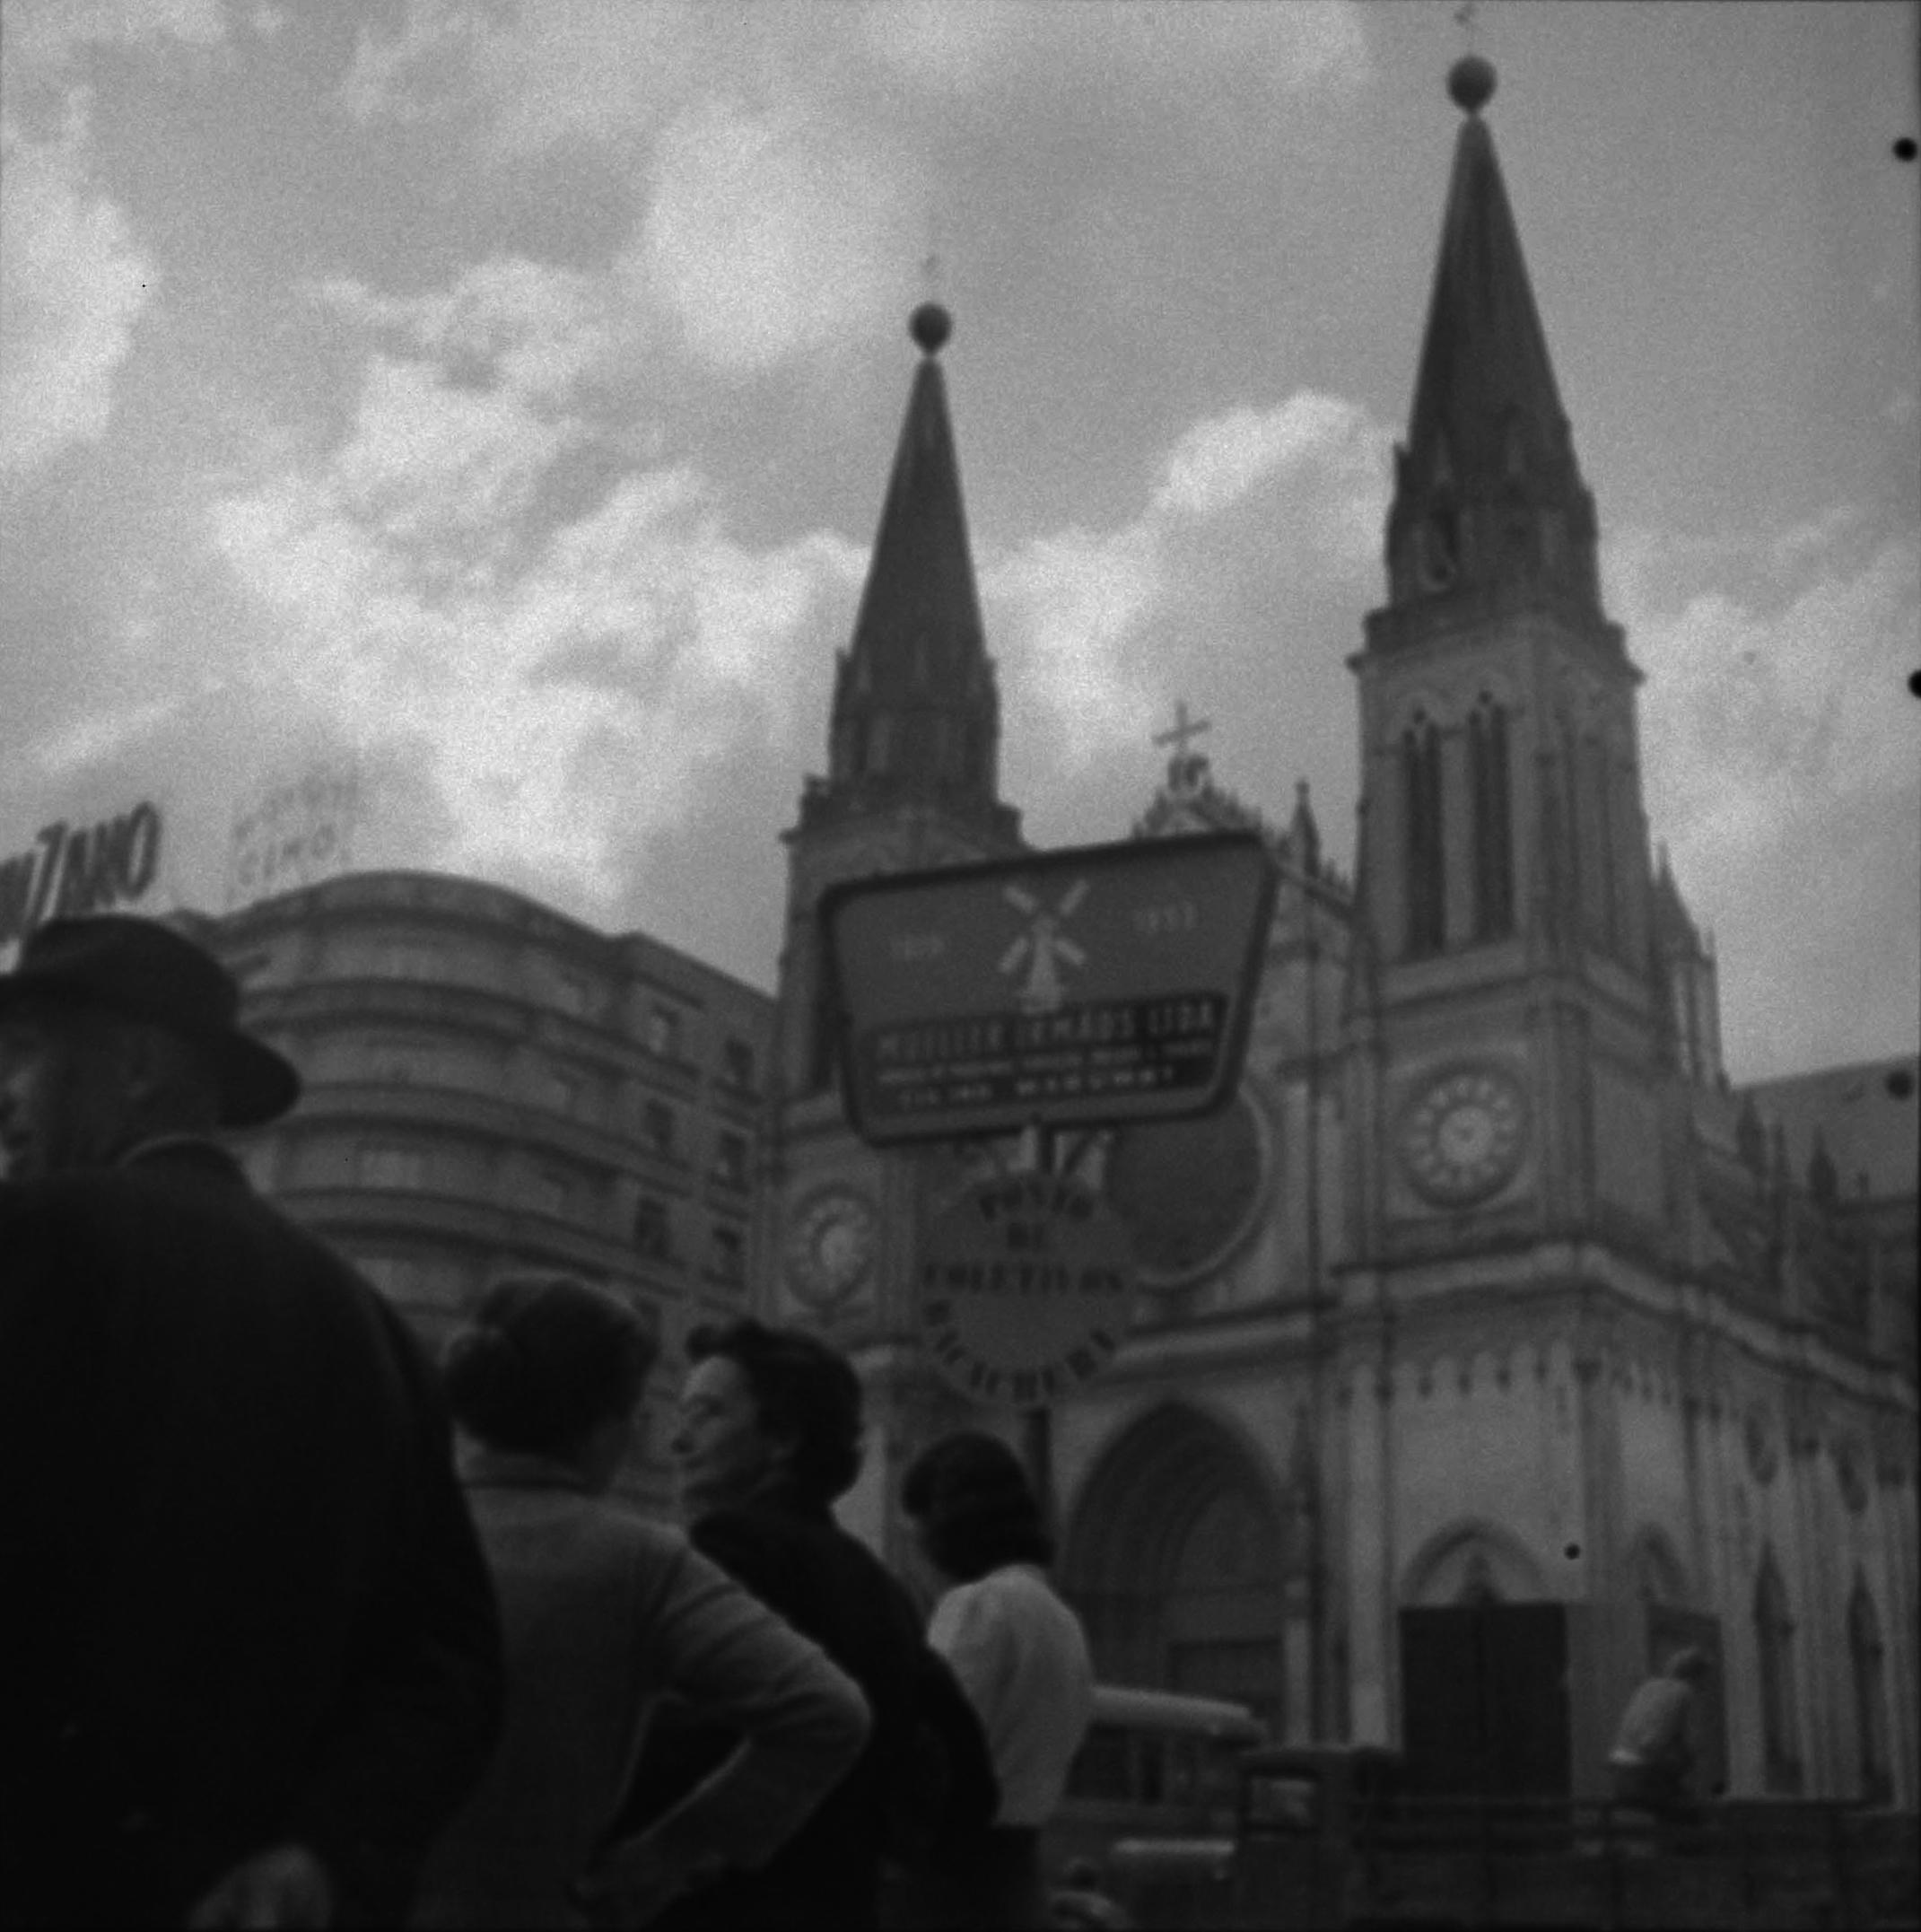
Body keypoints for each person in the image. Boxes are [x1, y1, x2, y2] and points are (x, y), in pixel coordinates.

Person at [0, 914, 503, 1928]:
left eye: (22, 1058)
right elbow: (449, 1663)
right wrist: (321, 1846)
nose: (5, 1104)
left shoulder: (33, 1247)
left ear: (135, 1065)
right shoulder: (374, 1327)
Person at [411, 1275, 871, 1928]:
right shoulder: (638, 1562)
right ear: (606, 1428)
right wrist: (672, 1850)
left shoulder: (373, 1530)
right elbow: (827, 1711)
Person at [624, 1318, 997, 1929]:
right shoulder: (878, 1584)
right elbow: (968, 1780)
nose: (677, 1443)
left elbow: (673, 1748)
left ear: (782, 1439)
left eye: (706, 1414)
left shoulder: (731, 1548)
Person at [897, 1430, 1096, 1929]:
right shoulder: (1061, 1618)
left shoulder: (977, 1606)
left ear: (940, 1528)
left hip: (952, 1885)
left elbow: (929, 1747)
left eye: (914, 1531)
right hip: (1020, 1879)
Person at [1607, 1646, 1712, 1818]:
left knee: (1673, 1810)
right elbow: (1694, 1743)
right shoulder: (1685, 1692)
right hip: (1647, 1775)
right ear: (1697, 1676)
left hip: (1619, 1775)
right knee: (1691, 1818)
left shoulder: (1647, 1688)